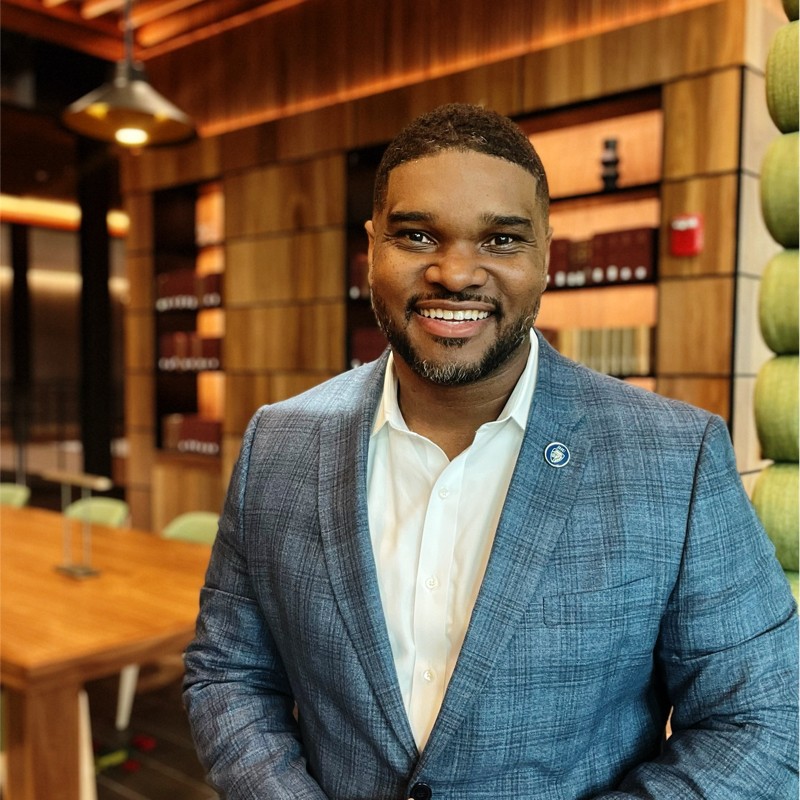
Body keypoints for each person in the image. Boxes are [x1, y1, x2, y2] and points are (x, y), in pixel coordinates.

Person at [183, 103, 798, 799]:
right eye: (417, 235)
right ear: (371, 246)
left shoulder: (676, 458)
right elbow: (228, 672)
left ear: (545, 256)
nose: (455, 273)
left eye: (501, 241)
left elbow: (762, 720)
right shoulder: (280, 443)